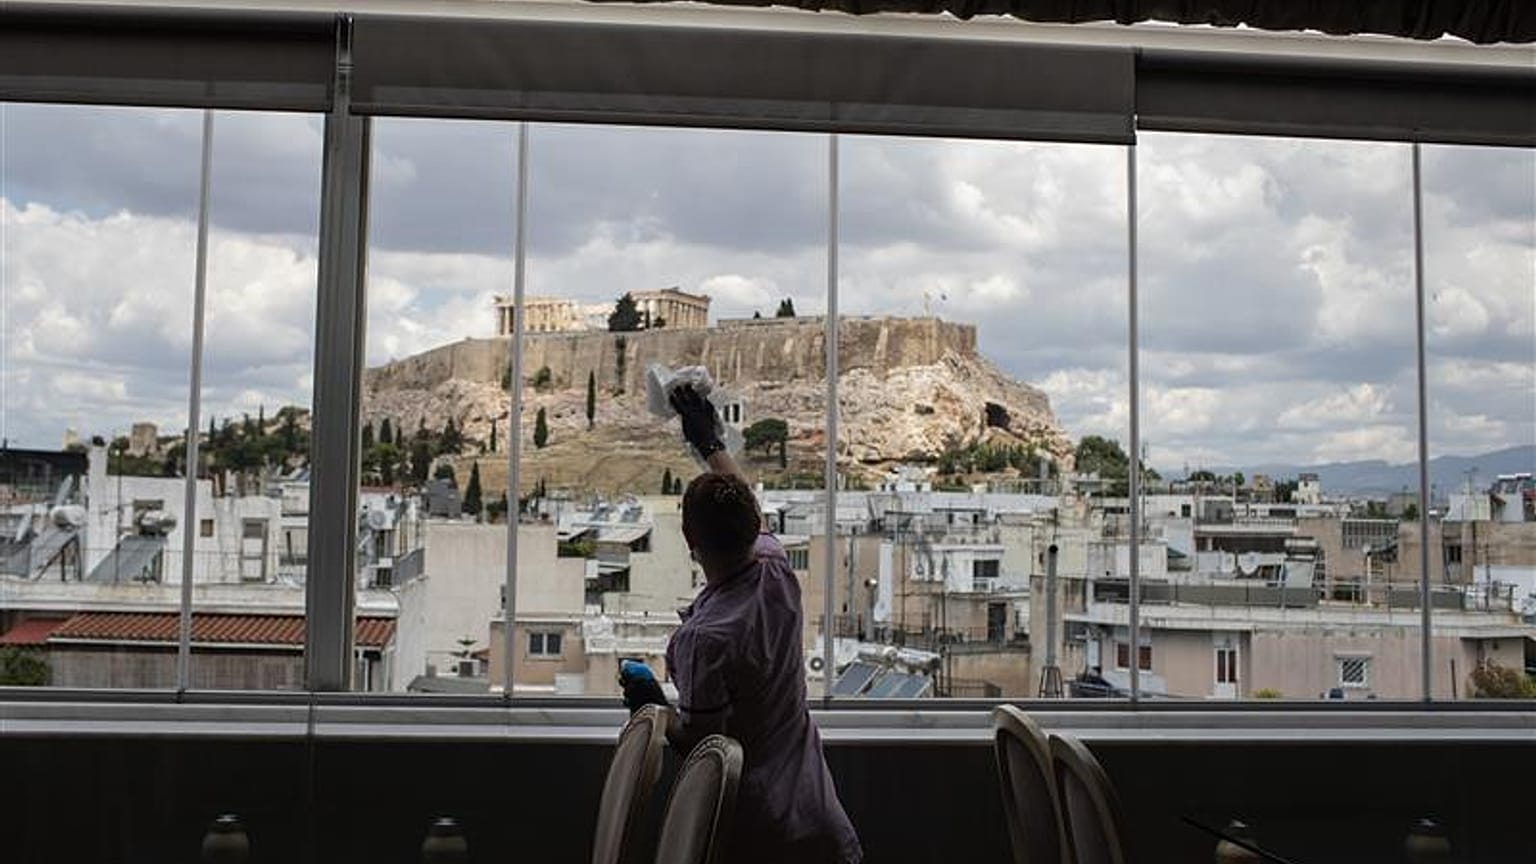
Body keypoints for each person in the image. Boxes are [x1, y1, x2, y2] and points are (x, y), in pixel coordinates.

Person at [620, 384, 862, 864]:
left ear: (690, 541)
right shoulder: (776, 570)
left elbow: (706, 745)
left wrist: (654, 710)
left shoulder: (703, 642)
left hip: (756, 829)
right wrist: (710, 445)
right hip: (817, 817)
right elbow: (747, 505)